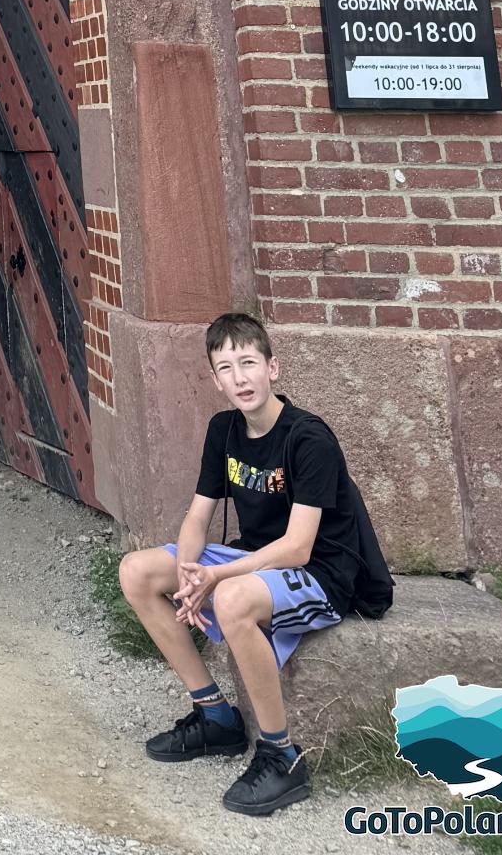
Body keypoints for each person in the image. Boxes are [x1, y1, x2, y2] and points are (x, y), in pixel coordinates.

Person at [116, 310, 392, 818]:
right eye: (225, 367)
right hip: (253, 556)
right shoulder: (224, 431)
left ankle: (281, 755)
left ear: (273, 368)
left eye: (248, 362)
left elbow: (298, 548)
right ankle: (216, 716)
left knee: (232, 595)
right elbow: (199, 517)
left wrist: (216, 577)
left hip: (321, 574)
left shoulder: (308, 438)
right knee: (136, 570)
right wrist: (187, 576)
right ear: (214, 379)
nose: (239, 377)